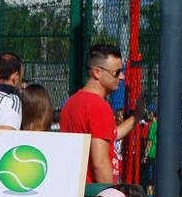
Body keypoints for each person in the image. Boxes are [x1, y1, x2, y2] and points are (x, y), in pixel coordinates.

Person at [60, 44, 142, 184]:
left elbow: (109, 134)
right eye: (117, 72)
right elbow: (100, 163)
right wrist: (110, 194)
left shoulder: (71, 102)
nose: (122, 77)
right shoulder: (99, 107)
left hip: (75, 188)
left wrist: (136, 117)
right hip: (94, 192)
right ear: (97, 72)